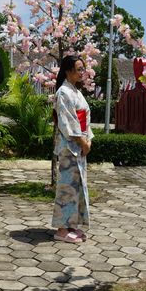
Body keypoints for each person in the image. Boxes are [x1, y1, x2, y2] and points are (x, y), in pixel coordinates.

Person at [52, 55, 93, 244]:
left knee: (77, 187)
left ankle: (71, 225)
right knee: (67, 187)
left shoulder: (76, 92)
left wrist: (88, 139)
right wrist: (82, 141)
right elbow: (68, 121)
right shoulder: (63, 92)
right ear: (68, 71)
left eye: (83, 69)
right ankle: (61, 229)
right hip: (70, 146)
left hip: (80, 144)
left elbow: (85, 118)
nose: (82, 72)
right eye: (79, 69)